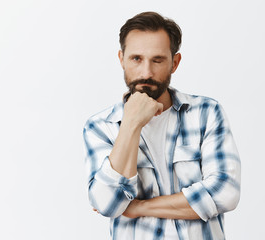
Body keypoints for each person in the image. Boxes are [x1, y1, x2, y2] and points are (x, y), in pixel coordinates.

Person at [82, 12, 240, 240]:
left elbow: (226, 193)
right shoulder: (100, 127)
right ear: (121, 59)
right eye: (136, 58)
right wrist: (131, 124)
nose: (146, 72)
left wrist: (137, 207)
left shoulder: (206, 112)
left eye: (157, 60)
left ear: (174, 63)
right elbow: (107, 204)